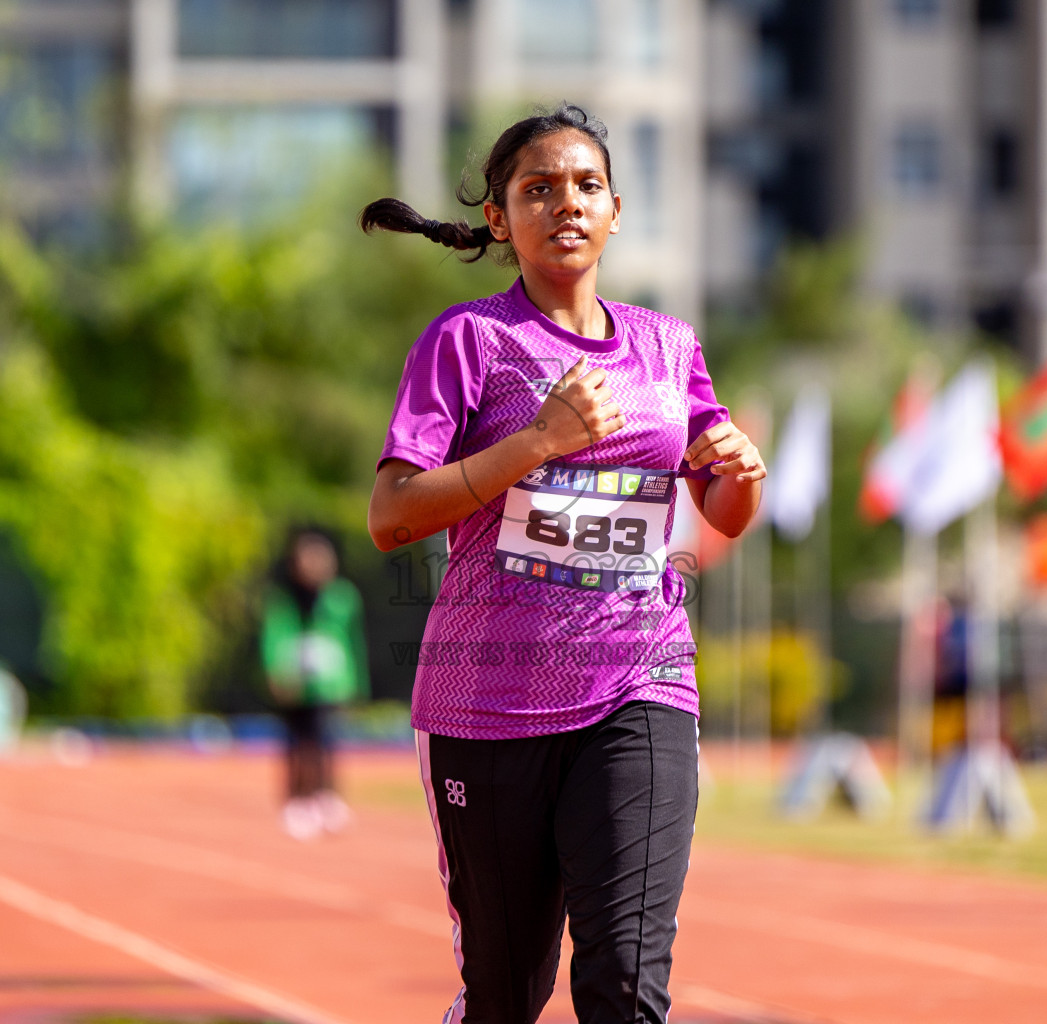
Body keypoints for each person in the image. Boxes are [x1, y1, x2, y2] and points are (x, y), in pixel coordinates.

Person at [362, 103, 766, 1024]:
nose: (566, 204)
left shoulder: (669, 348)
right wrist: (539, 439)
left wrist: (738, 472)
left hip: (641, 684)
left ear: (616, 210)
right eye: (538, 190)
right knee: (506, 996)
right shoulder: (469, 343)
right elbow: (391, 517)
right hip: (487, 700)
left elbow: (723, 511)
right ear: (501, 220)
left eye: (586, 186)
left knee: (624, 984)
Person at [261, 525, 369, 840]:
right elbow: (273, 637)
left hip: (330, 684)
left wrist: (356, 683)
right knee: (297, 743)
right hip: (294, 684)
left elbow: (353, 642)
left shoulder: (343, 597)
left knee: (326, 742)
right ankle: (297, 800)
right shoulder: (283, 599)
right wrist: (276, 672)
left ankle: (326, 796)